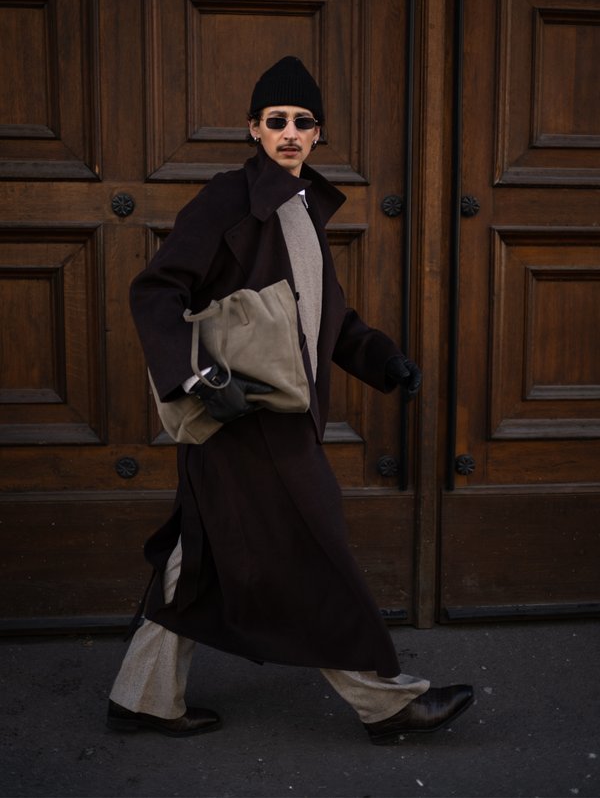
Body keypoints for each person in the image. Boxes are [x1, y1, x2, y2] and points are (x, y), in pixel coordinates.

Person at [107, 56, 473, 744]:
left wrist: (383, 359)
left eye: (303, 122)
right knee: (318, 550)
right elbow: (156, 291)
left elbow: (325, 318)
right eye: (275, 121)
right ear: (253, 129)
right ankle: (384, 703)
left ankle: (142, 697)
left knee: (198, 553)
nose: (289, 132)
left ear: (317, 136)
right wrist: (196, 378)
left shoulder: (303, 208)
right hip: (244, 418)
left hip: (272, 417)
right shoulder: (226, 198)